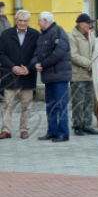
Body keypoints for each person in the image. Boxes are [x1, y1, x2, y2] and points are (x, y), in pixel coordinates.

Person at [0, 10, 39, 139]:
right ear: (16, 21)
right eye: (20, 21)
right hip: (9, 74)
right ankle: (6, 130)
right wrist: (13, 67)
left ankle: (24, 129)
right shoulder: (5, 35)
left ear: (28, 21)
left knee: (26, 104)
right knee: (7, 104)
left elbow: (38, 54)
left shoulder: (35, 34)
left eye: (25, 21)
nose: (23, 23)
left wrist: (28, 68)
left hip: (28, 74)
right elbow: (1, 54)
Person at [34, 12, 72, 142]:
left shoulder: (58, 31)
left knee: (60, 105)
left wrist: (42, 64)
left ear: (45, 20)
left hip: (59, 76)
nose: (38, 23)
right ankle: (52, 131)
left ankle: (63, 133)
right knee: (50, 105)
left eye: (39, 21)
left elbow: (58, 53)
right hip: (49, 76)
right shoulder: (42, 35)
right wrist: (35, 64)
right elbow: (37, 53)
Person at [68, 13, 98, 136]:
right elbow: (73, 56)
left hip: (90, 75)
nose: (90, 25)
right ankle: (77, 126)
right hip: (78, 75)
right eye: (88, 23)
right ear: (81, 24)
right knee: (78, 102)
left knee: (89, 101)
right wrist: (90, 65)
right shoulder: (71, 36)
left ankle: (87, 125)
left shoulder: (90, 36)